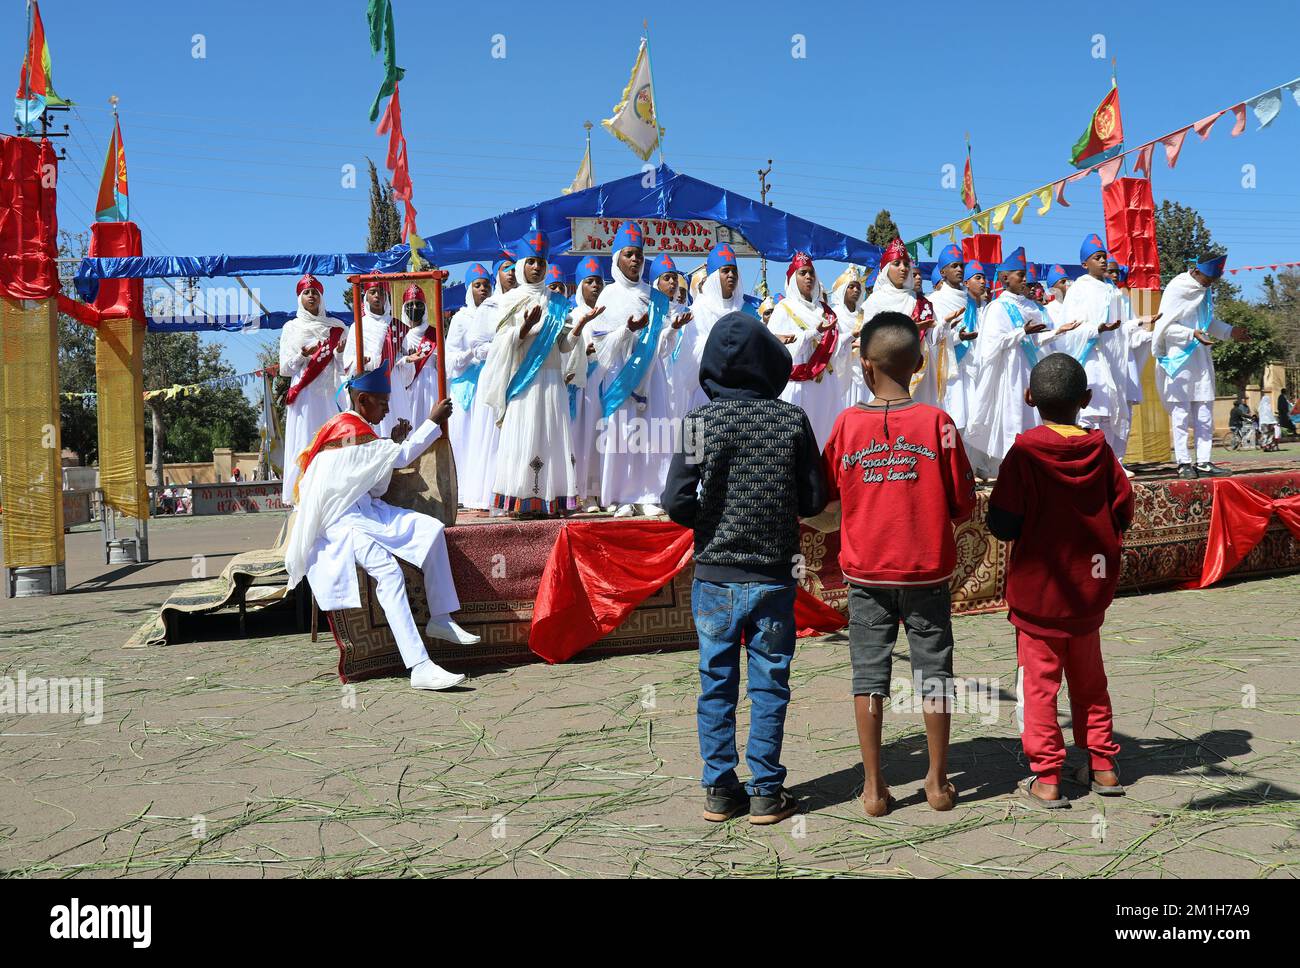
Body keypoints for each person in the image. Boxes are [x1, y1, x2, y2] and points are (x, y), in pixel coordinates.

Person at [662, 311, 827, 825]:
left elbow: (675, 500)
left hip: (714, 576)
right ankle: (765, 793)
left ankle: (718, 789)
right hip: (774, 576)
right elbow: (816, 497)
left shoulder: (697, 423)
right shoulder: (791, 420)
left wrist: (709, 519)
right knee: (770, 684)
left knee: (715, 681)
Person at [820, 311, 976, 817]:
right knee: (934, 674)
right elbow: (962, 501)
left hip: (866, 573)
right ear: (919, 364)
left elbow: (826, 493)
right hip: (926, 570)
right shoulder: (939, 423)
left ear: (865, 366)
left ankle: (873, 787)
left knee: (867, 676)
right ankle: (936, 781)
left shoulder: (846, 426)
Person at [986, 353, 1133, 807]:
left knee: (1039, 687)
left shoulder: (1025, 452)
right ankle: (1103, 765)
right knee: (1090, 681)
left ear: (1029, 397)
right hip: (1088, 598)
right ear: (1086, 400)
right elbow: (1124, 511)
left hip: (1038, 600)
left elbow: (1004, 523)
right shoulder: (1103, 452)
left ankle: (1047, 776)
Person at [285, 366, 480, 692]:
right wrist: (431, 421)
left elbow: (373, 481)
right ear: (363, 400)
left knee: (430, 530)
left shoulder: (357, 429)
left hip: (367, 511)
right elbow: (400, 458)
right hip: (339, 523)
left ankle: (441, 617)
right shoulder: (349, 431)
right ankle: (419, 666)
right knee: (388, 573)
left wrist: (391, 443)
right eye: (383, 402)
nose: (388, 409)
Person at [479, 232, 602, 516]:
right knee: (525, 436)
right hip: (525, 380)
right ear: (522, 265)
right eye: (532, 262)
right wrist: (524, 328)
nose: (537, 268)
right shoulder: (510, 300)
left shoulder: (557, 302)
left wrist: (579, 327)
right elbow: (500, 344)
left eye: (542, 263)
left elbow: (564, 345)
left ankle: (552, 499)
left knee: (550, 437)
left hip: (552, 381)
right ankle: (521, 500)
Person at [965, 246, 1078, 477]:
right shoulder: (997, 308)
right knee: (1012, 419)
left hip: (1030, 372)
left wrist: (1057, 332)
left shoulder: (1030, 306)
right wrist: (1020, 332)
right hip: (1010, 375)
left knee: (1033, 419)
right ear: (1005, 278)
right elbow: (991, 346)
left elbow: (1034, 341)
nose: (1026, 280)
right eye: (1021, 275)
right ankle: (1008, 471)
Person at [1060, 234, 1160, 474]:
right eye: (1098, 257)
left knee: (1115, 413)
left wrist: (1140, 323)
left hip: (1115, 361)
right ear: (1085, 264)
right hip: (1091, 356)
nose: (1104, 261)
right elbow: (1069, 328)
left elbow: (1121, 327)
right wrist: (1096, 329)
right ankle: (1089, 463)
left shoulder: (1113, 291)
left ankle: (1114, 463)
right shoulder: (1078, 290)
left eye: (1105, 256)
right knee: (1093, 413)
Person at [596, 220, 673, 517]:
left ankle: (650, 493)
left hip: (652, 375)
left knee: (652, 433)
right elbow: (599, 345)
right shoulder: (608, 295)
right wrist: (627, 331)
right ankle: (621, 495)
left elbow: (664, 346)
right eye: (629, 254)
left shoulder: (655, 297)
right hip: (620, 375)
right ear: (617, 258)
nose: (635, 260)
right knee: (621, 433)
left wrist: (668, 333)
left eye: (639, 255)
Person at [1152, 254, 1248, 479]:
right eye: (1208, 279)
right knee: (1181, 414)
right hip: (1179, 359)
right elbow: (1164, 328)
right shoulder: (1177, 288)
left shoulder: (1204, 292)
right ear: (1196, 270)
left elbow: (1207, 323)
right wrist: (1191, 334)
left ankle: (1204, 461)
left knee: (1205, 412)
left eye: (1213, 280)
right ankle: (1184, 463)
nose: (1210, 284)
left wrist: (1230, 332)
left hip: (1201, 358)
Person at [279, 274, 344, 505]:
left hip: (329, 396)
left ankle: (331, 491)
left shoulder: (336, 327)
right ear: (299, 298)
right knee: (304, 441)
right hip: (304, 395)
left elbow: (344, 366)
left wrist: (339, 353)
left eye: (315, 292)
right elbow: (285, 369)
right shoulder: (291, 328)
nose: (311, 296)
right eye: (306, 292)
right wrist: (302, 355)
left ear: (322, 297)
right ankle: (302, 494)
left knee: (330, 442)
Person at [768, 252, 843, 447]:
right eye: (803, 273)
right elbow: (774, 347)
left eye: (811, 273)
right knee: (798, 440)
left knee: (826, 436)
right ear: (793, 279)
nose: (808, 277)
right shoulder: (784, 308)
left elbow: (836, 346)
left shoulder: (826, 311)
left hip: (826, 383)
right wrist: (810, 334)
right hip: (799, 383)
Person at [461, 253, 516, 510]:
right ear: (498, 275)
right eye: (507, 268)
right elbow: (477, 347)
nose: (512, 273)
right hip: (494, 376)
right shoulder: (490, 307)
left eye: (516, 267)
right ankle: (488, 495)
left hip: (521, 375)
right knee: (493, 435)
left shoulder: (526, 301)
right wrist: (506, 345)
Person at [861, 239, 938, 406]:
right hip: (885, 372)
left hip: (919, 370)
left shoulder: (921, 302)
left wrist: (944, 326)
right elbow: (868, 342)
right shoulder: (875, 301)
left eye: (906, 264)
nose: (903, 268)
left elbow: (932, 338)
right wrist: (907, 331)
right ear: (887, 268)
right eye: (897, 263)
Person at [342, 279, 410, 437]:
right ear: (366, 297)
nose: (377, 296)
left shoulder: (396, 326)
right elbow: (348, 362)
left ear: (387, 297)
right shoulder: (358, 325)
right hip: (369, 383)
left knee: (396, 419)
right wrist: (363, 362)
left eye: (381, 292)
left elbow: (404, 360)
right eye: (373, 292)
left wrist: (407, 360)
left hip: (393, 382)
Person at [445, 263, 493, 484]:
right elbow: (449, 356)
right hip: (467, 386)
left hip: (490, 382)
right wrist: (467, 356)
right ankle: (463, 486)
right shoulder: (461, 318)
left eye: (486, 285)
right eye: (478, 285)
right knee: (465, 436)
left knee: (486, 436)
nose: (483, 289)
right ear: (469, 290)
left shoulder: (495, 314)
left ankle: (484, 484)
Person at [925, 244, 980, 427]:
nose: (959, 269)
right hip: (950, 370)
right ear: (942, 272)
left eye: (961, 265)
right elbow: (931, 339)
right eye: (954, 266)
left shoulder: (972, 300)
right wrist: (958, 337)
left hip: (974, 367)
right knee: (953, 422)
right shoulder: (934, 301)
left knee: (974, 424)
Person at [569, 256, 607, 511]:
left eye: (599, 282)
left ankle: (601, 490)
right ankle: (582, 493)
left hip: (606, 382)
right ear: (580, 286)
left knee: (603, 438)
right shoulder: (573, 315)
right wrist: (583, 351)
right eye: (589, 282)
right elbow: (564, 351)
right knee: (582, 438)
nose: (595, 287)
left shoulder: (609, 313)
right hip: (582, 387)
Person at [828, 265, 868, 409]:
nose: (856, 290)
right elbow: (830, 343)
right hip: (841, 369)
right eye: (851, 287)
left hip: (861, 368)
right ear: (842, 290)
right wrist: (851, 343)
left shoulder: (864, 314)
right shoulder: (834, 314)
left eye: (858, 287)